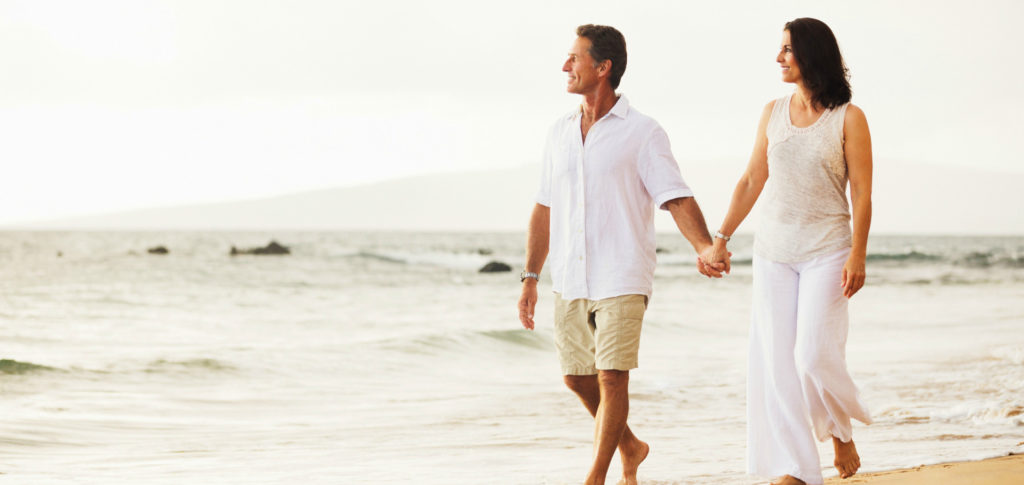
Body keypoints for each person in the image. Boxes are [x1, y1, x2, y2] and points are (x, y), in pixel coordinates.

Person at [517, 24, 727, 485]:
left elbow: (675, 196)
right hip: (570, 277)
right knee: (577, 377)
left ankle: (595, 477)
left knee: (613, 377)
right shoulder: (559, 132)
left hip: (622, 273)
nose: (565, 66)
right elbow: (544, 207)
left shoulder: (643, 132)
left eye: (574, 58)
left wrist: (704, 245)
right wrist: (530, 275)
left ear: (603, 67)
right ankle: (631, 446)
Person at [700, 17, 873, 485]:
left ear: (811, 54)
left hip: (827, 250)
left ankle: (839, 429)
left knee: (813, 355)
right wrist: (721, 237)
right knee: (777, 366)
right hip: (774, 252)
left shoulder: (848, 118)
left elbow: (861, 194)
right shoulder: (772, 112)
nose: (779, 57)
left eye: (787, 50)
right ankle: (795, 469)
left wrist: (858, 254)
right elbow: (753, 180)